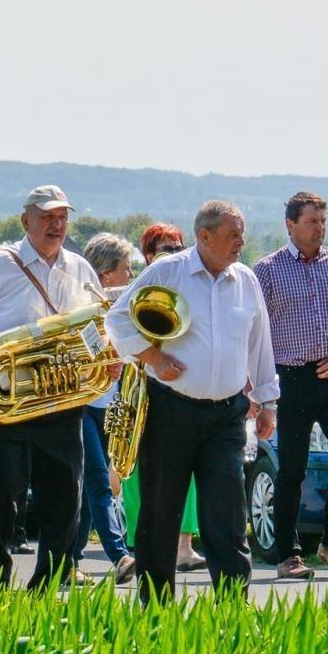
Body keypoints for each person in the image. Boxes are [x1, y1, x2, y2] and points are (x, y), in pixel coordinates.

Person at [106, 201, 280, 602]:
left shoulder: (246, 280)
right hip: (170, 410)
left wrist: (267, 402)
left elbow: (259, 345)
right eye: (232, 234)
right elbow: (117, 319)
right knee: (160, 514)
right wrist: (152, 356)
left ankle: (232, 607)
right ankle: (155, 608)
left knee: (228, 516)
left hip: (226, 416)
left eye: (242, 233)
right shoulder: (168, 271)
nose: (241, 242)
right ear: (204, 236)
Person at [0, 184, 104, 588]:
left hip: (62, 404)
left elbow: (98, 327)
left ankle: (45, 584)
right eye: (47, 217)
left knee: (65, 499)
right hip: (7, 404)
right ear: (25, 220)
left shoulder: (80, 268)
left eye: (63, 217)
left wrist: (106, 360)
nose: (57, 225)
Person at [253, 191, 328, 580]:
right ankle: (289, 553)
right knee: (292, 469)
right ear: (290, 224)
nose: (319, 228)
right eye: (311, 222)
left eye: (323, 221)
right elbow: (253, 334)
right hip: (290, 378)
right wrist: (257, 388)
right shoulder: (266, 271)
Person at [117, 223, 206, 572]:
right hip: (141, 387)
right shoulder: (135, 290)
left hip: (181, 388)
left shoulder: (188, 287)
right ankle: (142, 547)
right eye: (163, 248)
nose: (170, 253)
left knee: (189, 474)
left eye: (177, 246)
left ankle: (184, 546)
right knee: (138, 473)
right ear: (148, 255)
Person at [67, 233, 138, 583]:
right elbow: (89, 348)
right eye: (126, 269)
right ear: (106, 274)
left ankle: (70, 560)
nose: (131, 275)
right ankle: (120, 556)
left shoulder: (122, 307)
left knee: (86, 487)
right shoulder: (81, 306)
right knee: (97, 479)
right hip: (81, 404)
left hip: (106, 404)